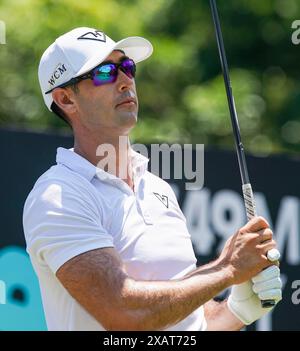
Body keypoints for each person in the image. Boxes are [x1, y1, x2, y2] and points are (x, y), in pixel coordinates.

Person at [23, 27, 282, 331]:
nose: (124, 81)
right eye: (105, 72)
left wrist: (236, 310)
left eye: (127, 67)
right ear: (66, 99)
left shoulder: (157, 188)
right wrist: (227, 269)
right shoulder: (57, 195)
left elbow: (187, 325)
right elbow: (125, 314)